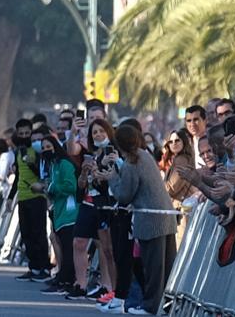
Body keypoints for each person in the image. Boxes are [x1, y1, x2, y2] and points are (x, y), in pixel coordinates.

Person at [99, 125, 178, 316]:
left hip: (150, 221)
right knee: (166, 268)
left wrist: (111, 178)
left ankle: (151, 306)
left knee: (153, 268)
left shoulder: (131, 163)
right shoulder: (144, 155)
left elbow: (124, 195)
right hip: (165, 217)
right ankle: (166, 307)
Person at [69, 119, 118, 301]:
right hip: (88, 203)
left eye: (101, 131)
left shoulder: (113, 152)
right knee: (78, 242)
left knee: (106, 248)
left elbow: (113, 179)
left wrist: (103, 167)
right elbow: (82, 185)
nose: (98, 135)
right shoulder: (91, 154)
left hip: (106, 205)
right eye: (94, 133)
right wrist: (84, 172)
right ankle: (80, 284)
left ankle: (109, 288)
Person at [36, 135, 78, 295]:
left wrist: (53, 187)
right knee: (62, 246)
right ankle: (63, 277)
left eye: (49, 147)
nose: (47, 151)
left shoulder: (65, 164)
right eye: (44, 148)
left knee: (68, 249)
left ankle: (66, 280)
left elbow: (70, 186)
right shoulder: (53, 165)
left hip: (70, 212)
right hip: (59, 211)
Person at [10, 118, 51, 282]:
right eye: (21, 134)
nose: (25, 136)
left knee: (38, 233)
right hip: (23, 196)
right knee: (26, 234)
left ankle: (43, 267)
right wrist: (10, 197)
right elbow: (18, 175)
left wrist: (31, 162)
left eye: (27, 133)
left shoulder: (37, 150)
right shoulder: (19, 151)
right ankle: (33, 267)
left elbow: (42, 172)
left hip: (37, 196)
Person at [185, 105, 208, 169]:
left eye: (196, 119)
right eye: (189, 120)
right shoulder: (186, 145)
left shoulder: (213, 141)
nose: (192, 124)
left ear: (205, 121)